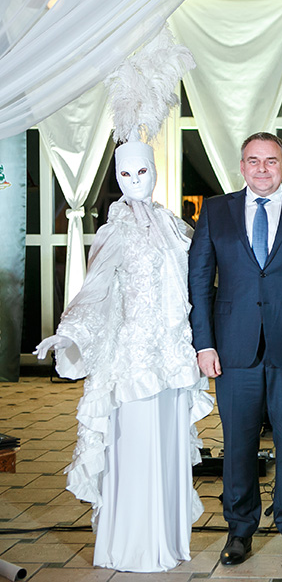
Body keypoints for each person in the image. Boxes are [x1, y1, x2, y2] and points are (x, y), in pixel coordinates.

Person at [35, 140, 214, 572]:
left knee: (167, 446)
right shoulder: (114, 231)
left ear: (155, 171)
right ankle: (133, 545)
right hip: (134, 361)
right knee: (134, 447)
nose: (135, 181)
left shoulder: (174, 226)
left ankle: (166, 540)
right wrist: (68, 332)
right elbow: (94, 288)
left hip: (173, 355)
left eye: (142, 172)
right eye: (126, 174)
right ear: (117, 178)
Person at [188, 132, 282, 566]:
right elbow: (199, 282)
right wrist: (204, 343)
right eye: (253, 161)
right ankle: (239, 530)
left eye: (271, 161)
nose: (262, 169)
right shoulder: (215, 211)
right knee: (237, 444)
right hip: (233, 348)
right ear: (241, 167)